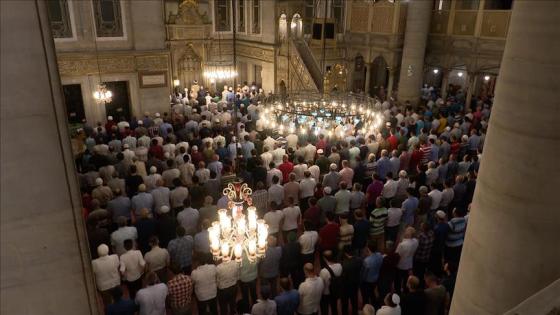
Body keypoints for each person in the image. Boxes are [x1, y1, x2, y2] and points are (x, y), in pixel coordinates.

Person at [395, 227, 419, 294]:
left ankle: (398, 292)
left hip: (401, 264)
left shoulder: (402, 245)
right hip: (409, 263)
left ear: (408, 234)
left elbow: (397, 254)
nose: (405, 232)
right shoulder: (416, 241)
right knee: (406, 278)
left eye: (406, 231)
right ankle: (406, 290)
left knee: (398, 280)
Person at [340, 245, 362, 315]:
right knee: (354, 301)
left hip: (346, 286)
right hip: (355, 284)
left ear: (345, 253)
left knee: (345, 303)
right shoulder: (359, 260)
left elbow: (343, 276)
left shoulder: (344, 264)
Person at [319, 250, 342, 315]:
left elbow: (322, 283)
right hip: (336, 290)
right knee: (334, 306)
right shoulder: (339, 265)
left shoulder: (324, 271)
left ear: (324, 258)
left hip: (326, 292)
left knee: (325, 308)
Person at [361, 242, 383, 306]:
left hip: (368, 281)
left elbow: (364, 274)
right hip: (376, 278)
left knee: (366, 296)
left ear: (368, 249)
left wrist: (362, 281)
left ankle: (366, 307)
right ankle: (375, 306)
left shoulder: (367, 261)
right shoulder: (379, 255)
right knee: (373, 294)